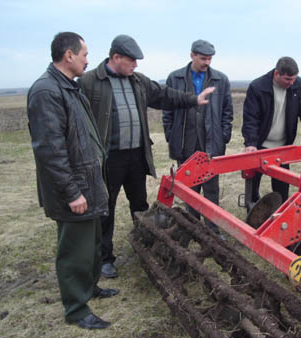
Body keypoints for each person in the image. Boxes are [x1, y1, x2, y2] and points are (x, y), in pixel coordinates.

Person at [78, 35, 214, 278]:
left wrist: (194, 99)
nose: (136, 65)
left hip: (136, 156)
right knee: (105, 208)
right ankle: (104, 258)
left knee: (139, 203)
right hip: (108, 158)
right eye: (132, 60)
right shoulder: (90, 82)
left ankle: (144, 245)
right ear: (116, 57)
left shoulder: (138, 81)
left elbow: (166, 96)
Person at [27, 32, 119, 330]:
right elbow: (50, 151)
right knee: (74, 251)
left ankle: (90, 288)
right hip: (74, 190)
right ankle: (77, 310)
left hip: (87, 184)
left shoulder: (70, 88)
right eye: (84, 54)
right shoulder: (46, 92)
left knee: (91, 245)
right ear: (68, 55)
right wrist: (72, 192)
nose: (87, 60)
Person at [162, 39, 233, 238]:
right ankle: (192, 228)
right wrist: (171, 135)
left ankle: (212, 230)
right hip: (185, 143)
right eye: (203, 58)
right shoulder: (174, 78)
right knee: (189, 188)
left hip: (211, 143)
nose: (207, 63)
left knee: (211, 188)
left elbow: (227, 111)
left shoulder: (221, 80)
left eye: (209, 59)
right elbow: (167, 111)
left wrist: (224, 136)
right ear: (192, 55)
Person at [242, 56, 301, 205]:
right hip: (260, 146)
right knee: (253, 182)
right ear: (276, 74)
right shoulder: (258, 87)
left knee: (282, 185)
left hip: (283, 147)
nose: (291, 83)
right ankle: (252, 212)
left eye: (294, 79)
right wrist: (251, 143)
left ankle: (280, 215)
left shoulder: (297, 86)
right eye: (287, 79)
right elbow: (251, 118)